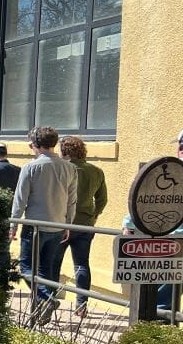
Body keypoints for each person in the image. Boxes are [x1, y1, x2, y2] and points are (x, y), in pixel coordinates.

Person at [10, 126, 78, 324]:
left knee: (26, 267)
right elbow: (71, 200)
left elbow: (20, 199)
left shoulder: (30, 167)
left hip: (35, 225)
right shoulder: (70, 168)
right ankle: (42, 305)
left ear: (37, 145)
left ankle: (46, 300)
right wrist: (68, 225)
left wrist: (13, 224)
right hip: (58, 224)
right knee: (45, 270)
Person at [122, 129, 183, 317]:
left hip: (170, 242)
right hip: (172, 240)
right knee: (163, 297)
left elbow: (148, 200)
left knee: (161, 300)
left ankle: (156, 338)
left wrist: (129, 225)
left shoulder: (175, 172)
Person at [60, 136, 108, 317]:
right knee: (81, 264)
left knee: (53, 263)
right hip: (85, 224)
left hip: (62, 222)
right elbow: (102, 199)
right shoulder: (96, 171)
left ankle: (49, 301)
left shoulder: (63, 169)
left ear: (64, 151)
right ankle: (81, 305)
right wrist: (94, 215)